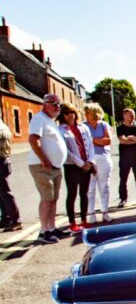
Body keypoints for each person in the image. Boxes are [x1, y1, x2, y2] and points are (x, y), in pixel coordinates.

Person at [28, 93, 70, 243]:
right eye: (53, 103)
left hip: (54, 167)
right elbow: (33, 140)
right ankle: (43, 231)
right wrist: (44, 159)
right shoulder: (39, 119)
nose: (56, 106)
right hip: (42, 166)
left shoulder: (51, 121)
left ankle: (51, 228)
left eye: (58, 104)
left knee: (53, 199)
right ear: (45, 104)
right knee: (47, 199)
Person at [58, 103, 96, 232]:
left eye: (72, 112)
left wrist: (90, 162)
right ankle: (72, 222)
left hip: (86, 164)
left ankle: (84, 220)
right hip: (72, 166)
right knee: (72, 194)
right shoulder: (61, 130)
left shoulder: (83, 127)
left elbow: (90, 145)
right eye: (66, 113)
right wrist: (81, 163)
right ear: (62, 116)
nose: (70, 115)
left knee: (84, 193)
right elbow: (66, 151)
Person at [84, 103, 113, 223]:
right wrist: (99, 141)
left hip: (103, 157)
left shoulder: (104, 124)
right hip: (89, 158)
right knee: (90, 187)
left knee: (104, 185)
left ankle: (105, 212)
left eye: (88, 112)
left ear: (95, 113)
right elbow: (85, 143)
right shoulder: (83, 126)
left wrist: (93, 140)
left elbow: (108, 140)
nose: (85, 115)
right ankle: (91, 213)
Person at [116, 108, 136, 208]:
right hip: (124, 158)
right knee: (123, 179)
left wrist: (131, 138)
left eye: (133, 115)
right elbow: (123, 140)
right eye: (130, 115)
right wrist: (135, 140)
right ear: (124, 115)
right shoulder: (120, 128)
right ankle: (123, 199)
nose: (132, 117)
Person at [0, 116, 22, 231]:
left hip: (0, 161)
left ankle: (15, 220)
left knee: (5, 192)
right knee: (2, 193)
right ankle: (6, 218)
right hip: (5, 160)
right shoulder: (3, 126)